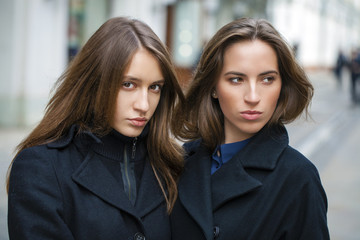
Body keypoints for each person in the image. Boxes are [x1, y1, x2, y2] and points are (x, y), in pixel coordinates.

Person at [7, 17, 184, 240]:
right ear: (95, 82)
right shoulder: (41, 168)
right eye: (128, 84)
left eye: (155, 87)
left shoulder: (172, 165)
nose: (144, 105)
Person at [171, 18, 329, 239]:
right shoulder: (180, 161)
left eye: (267, 79)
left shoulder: (299, 177)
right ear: (213, 87)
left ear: (282, 85)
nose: (253, 97)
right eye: (236, 79)